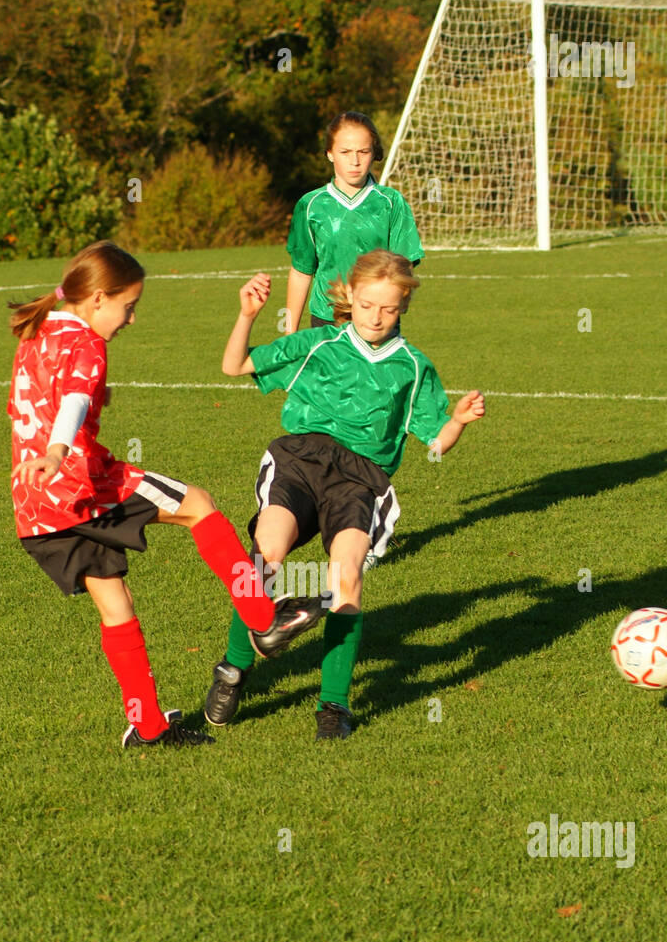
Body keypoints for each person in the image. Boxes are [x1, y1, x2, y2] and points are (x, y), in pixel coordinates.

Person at [8, 240, 324, 750]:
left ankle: (149, 726)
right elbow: (71, 400)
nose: (131, 319)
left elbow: (52, 397)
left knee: (117, 606)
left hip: (34, 501)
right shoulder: (87, 341)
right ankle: (264, 619)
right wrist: (61, 447)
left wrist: (53, 448)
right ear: (98, 299)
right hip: (78, 483)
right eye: (128, 307)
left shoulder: (39, 331)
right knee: (199, 505)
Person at [205, 249, 485, 740]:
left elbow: (436, 441)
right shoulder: (318, 343)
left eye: (389, 309)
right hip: (300, 458)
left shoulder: (413, 367)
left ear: (403, 308)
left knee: (347, 578)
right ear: (349, 296)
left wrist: (457, 421)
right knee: (266, 555)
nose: (377, 317)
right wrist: (246, 315)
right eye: (368, 305)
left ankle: (332, 706)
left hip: (361, 480)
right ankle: (234, 667)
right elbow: (235, 365)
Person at [285, 111, 423, 332]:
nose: (355, 161)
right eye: (345, 152)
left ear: (373, 153)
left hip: (377, 322)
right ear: (330, 153)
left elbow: (402, 268)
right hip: (326, 322)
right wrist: (289, 335)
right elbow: (302, 271)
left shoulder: (391, 203)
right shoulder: (310, 206)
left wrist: (384, 310)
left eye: (363, 151)